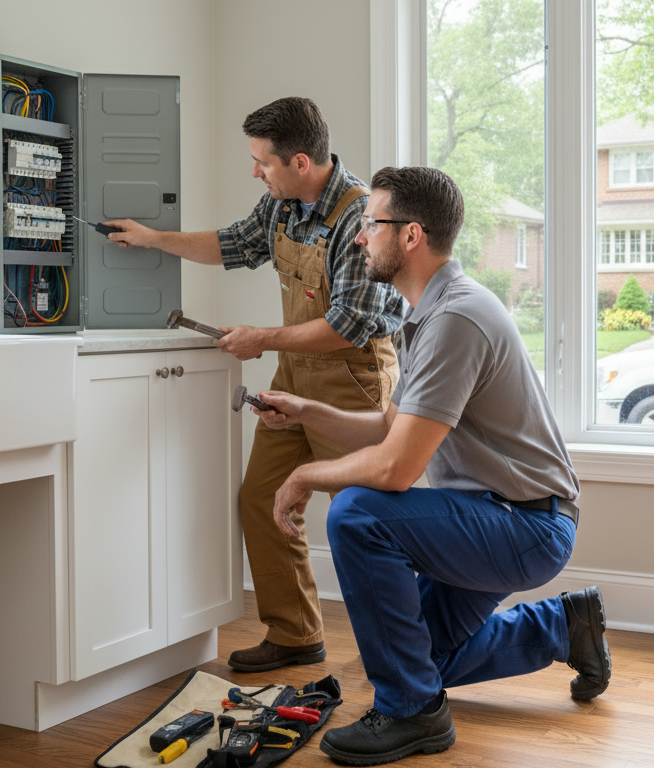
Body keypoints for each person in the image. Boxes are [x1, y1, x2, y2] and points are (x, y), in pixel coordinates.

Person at [248, 166, 611, 765]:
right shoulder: (426, 313)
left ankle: (412, 715)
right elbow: (392, 428)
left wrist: (306, 474)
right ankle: (564, 627)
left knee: (359, 512)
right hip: (487, 514)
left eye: (370, 223)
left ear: (410, 235)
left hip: (524, 526)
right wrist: (307, 412)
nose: (359, 236)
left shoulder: (455, 320)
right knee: (416, 656)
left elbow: (394, 470)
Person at [103, 97, 403, 672]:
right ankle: (295, 635)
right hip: (296, 371)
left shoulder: (359, 218)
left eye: (261, 162)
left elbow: (349, 325)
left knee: (367, 518)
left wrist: (261, 338)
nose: (255, 172)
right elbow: (231, 244)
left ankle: (405, 650)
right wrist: (152, 238)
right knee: (263, 500)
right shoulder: (281, 206)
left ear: (299, 161)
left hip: (355, 379)